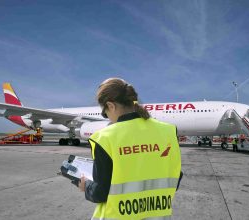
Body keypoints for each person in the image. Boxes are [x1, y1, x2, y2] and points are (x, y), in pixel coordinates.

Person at [76, 78, 183, 219]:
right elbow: (175, 177)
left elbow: (101, 193)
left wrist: (87, 187)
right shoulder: (168, 132)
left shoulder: (104, 138)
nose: (107, 117)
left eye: (105, 113)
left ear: (111, 106)